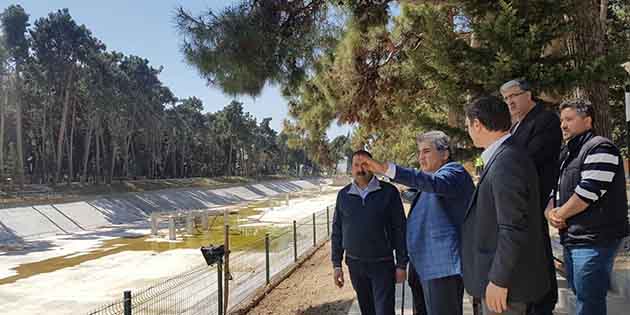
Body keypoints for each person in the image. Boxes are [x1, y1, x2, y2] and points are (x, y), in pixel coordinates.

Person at [357, 130, 474, 315]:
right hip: (422, 268)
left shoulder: (454, 173)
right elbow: (422, 189)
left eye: (426, 151)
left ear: (445, 154)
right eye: (419, 152)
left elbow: (432, 184)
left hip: (442, 269)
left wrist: (386, 169)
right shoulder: (432, 180)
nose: (420, 158)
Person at [462, 96, 550, 315]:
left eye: (468, 126)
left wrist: (499, 280)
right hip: (502, 280)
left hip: (507, 286)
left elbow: (513, 227)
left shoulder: (507, 161)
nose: (468, 132)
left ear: (477, 124)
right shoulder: (504, 156)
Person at [546, 99, 629, 315]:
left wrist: (560, 214)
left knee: (589, 301)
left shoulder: (601, 147)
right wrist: (550, 213)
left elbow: (588, 191)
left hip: (596, 239)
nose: (563, 125)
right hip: (573, 237)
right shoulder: (567, 154)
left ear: (588, 120)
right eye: (562, 120)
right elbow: (554, 189)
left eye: (569, 119)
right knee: (581, 294)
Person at [500, 79, 562, 315]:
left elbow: (529, 159)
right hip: (519, 201)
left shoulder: (544, 120)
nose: (510, 102)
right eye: (506, 99)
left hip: (533, 200)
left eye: (514, 96)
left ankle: (544, 302)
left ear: (529, 95)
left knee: (539, 256)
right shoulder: (514, 126)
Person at [331, 149, 408, 315]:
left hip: (382, 264)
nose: (360, 169)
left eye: (365, 164)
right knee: (367, 311)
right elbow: (337, 231)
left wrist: (402, 264)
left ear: (372, 166)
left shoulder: (389, 192)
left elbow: (400, 229)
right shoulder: (343, 195)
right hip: (355, 265)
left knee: (384, 311)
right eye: (356, 165)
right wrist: (336, 264)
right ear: (351, 168)